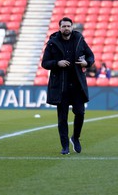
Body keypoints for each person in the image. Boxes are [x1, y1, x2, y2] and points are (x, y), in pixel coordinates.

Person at [41, 17, 95, 155]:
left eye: (68, 26)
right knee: (62, 118)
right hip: (61, 86)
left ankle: (75, 137)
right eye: (64, 26)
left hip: (77, 85)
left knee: (80, 113)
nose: (66, 28)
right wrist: (57, 63)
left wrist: (86, 63)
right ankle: (64, 146)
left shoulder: (79, 40)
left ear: (72, 27)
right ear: (59, 28)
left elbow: (91, 57)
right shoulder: (53, 43)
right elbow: (45, 63)